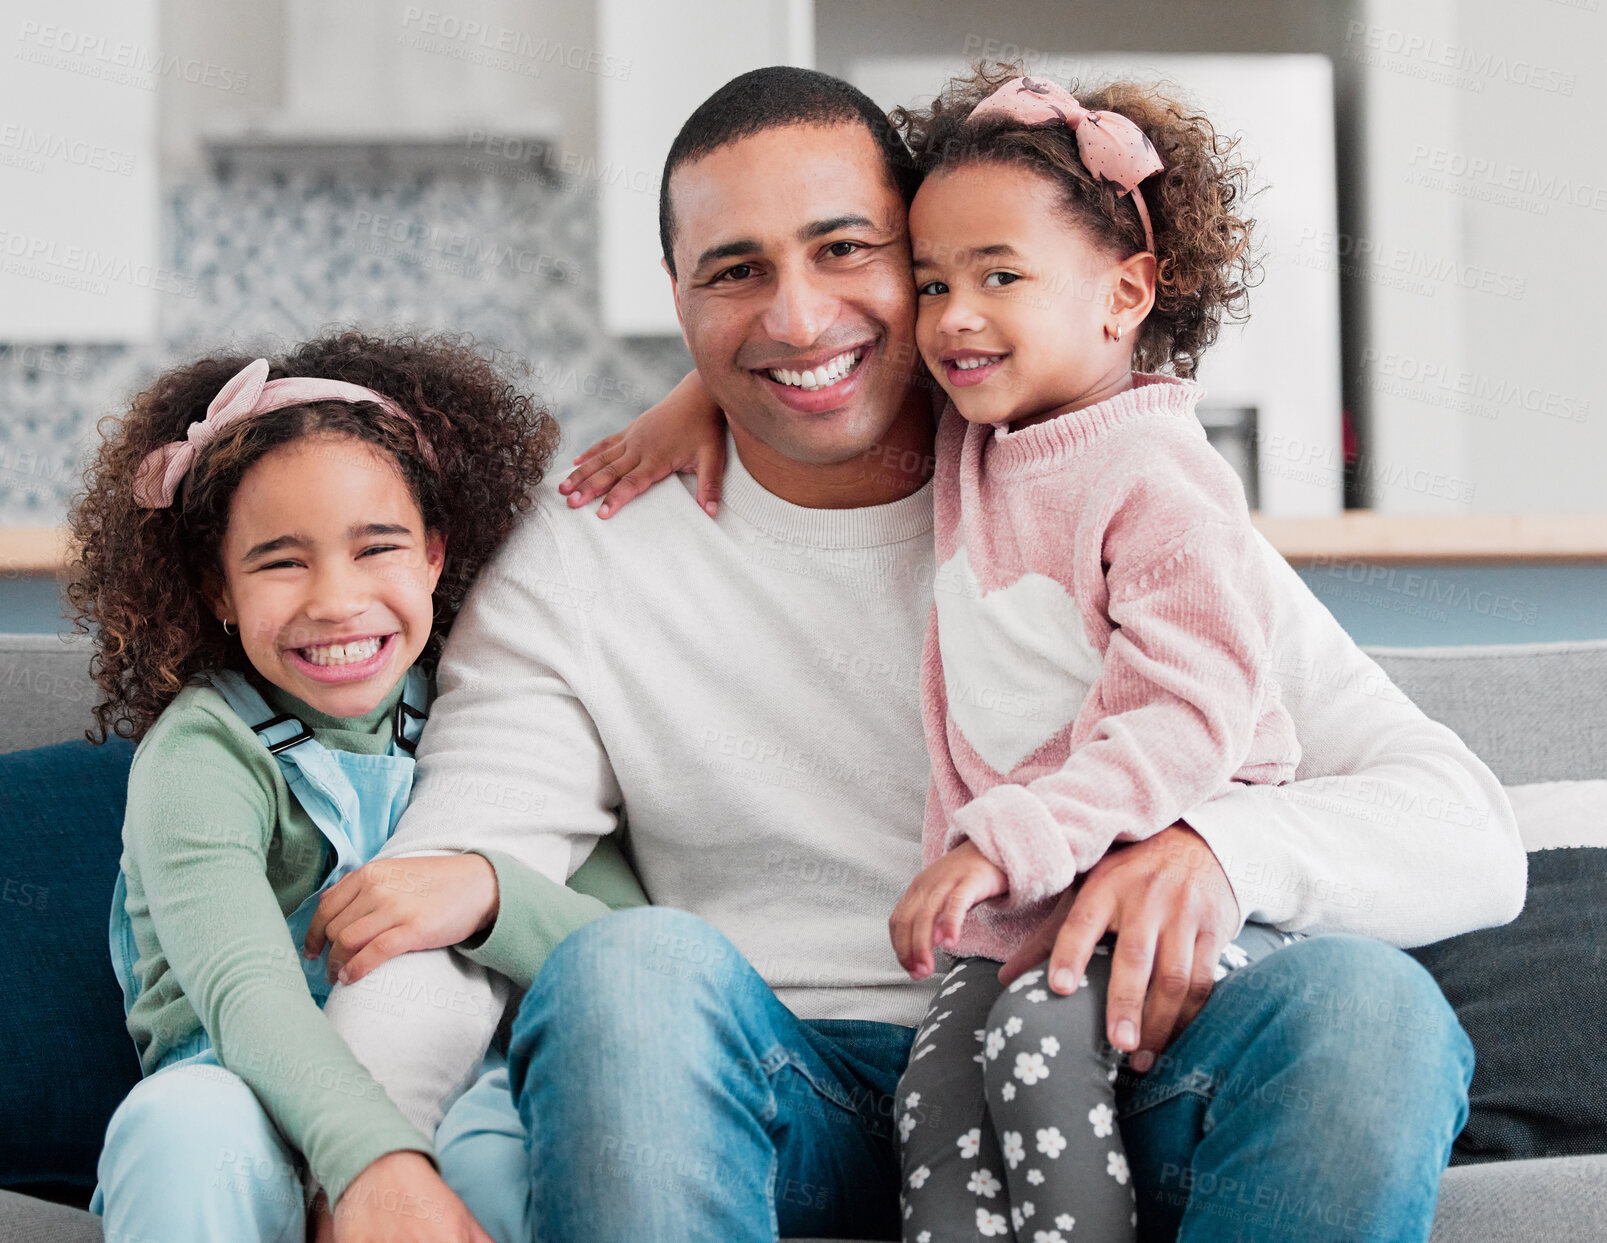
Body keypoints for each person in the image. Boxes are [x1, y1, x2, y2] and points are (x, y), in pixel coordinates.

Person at [330, 67, 1525, 1243]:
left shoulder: (1097, 486)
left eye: (845, 249)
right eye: (735, 271)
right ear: (678, 294)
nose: (797, 318)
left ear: (921, 252)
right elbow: (438, 886)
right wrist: (365, 1158)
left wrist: (1217, 848)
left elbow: (1466, 830)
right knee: (622, 969)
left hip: (1100, 1074)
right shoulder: (583, 562)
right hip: (792, 1096)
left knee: (1370, 1007)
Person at [65, 332, 646, 1243]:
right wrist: (375, 1165)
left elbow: (633, 962)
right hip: (248, 1094)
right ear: (216, 584)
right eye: (281, 561)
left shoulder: (503, 714)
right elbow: (246, 990)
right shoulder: (203, 753)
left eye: (377, 547)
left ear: (435, 555)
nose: (336, 600)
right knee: (181, 1128)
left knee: (509, 1146)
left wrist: (489, 896)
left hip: (456, 1088)